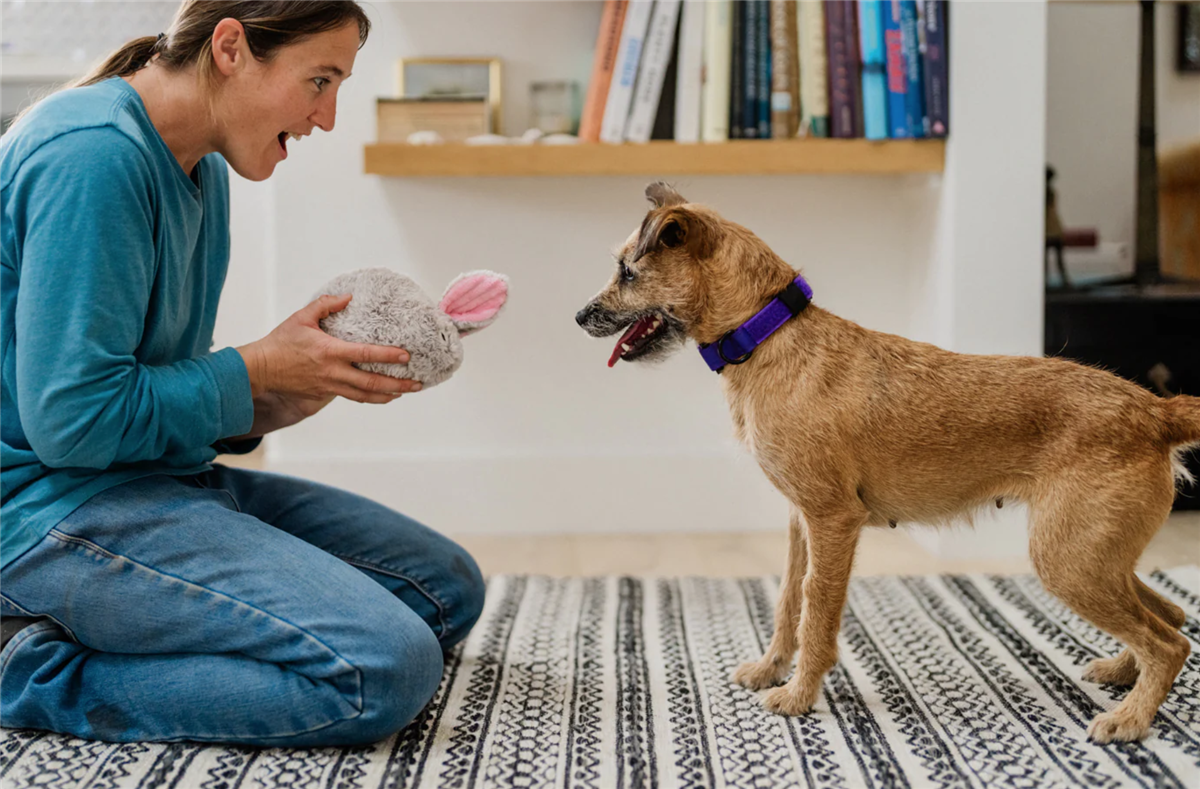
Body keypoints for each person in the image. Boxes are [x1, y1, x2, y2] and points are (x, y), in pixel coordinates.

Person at [0, 0, 485, 747]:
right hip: (46, 512)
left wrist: (292, 386)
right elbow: (73, 423)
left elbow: (160, 384)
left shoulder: (199, 164)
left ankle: (142, 621)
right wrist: (254, 366)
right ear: (231, 48)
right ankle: (28, 667)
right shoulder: (91, 155)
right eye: (319, 80)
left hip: (151, 480)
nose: (326, 117)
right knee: (383, 666)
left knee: (444, 588)